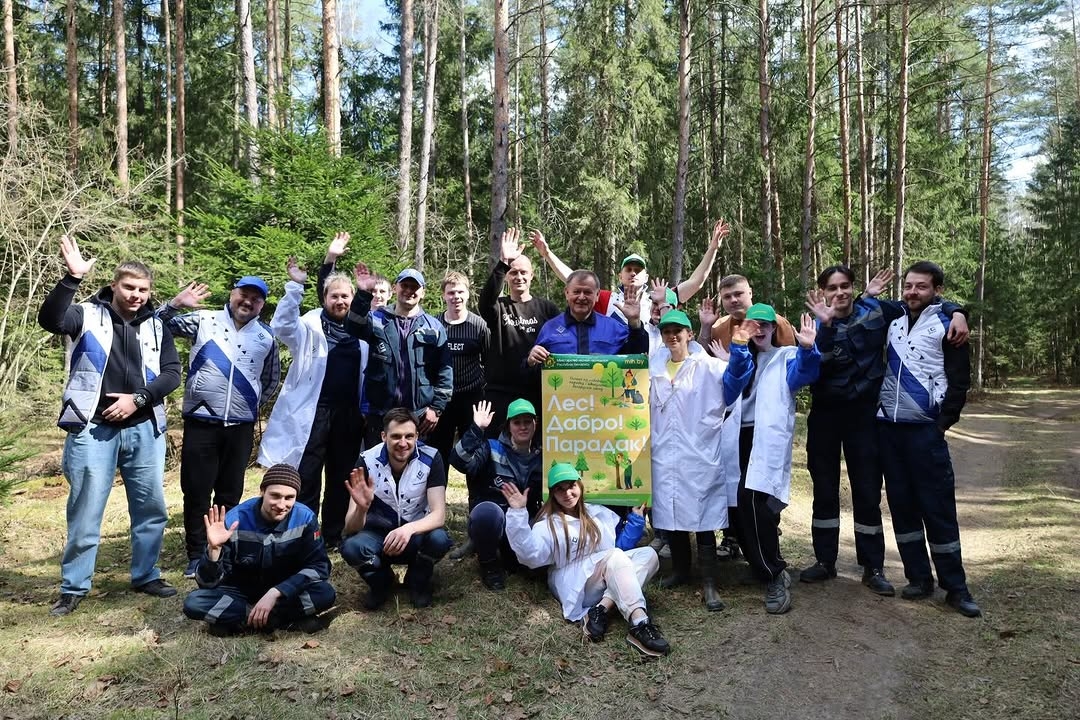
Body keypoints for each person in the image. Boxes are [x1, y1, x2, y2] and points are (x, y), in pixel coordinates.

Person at [800, 266, 969, 595]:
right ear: (823, 292)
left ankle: (873, 567)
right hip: (825, 415)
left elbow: (922, 303)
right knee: (824, 489)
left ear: (853, 287)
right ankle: (824, 560)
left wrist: (959, 311)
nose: (839, 293)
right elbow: (813, 364)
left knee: (866, 491)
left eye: (845, 286)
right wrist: (826, 326)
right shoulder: (815, 322)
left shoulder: (878, 311)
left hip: (864, 416)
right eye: (832, 288)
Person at [38, 236, 182, 616]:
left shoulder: (155, 326)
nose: (136, 295)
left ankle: (146, 574)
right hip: (91, 427)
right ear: (114, 286)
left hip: (145, 427)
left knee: (151, 507)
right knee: (86, 508)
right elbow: (50, 319)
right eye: (129, 287)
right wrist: (71, 279)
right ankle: (73, 587)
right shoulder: (85, 315)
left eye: (143, 290)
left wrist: (138, 399)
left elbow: (171, 374)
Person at [157, 276, 281, 578]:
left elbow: (271, 380)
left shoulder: (266, 337)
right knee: (196, 491)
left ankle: (221, 548)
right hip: (201, 422)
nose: (248, 302)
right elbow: (154, 326)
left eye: (256, 298)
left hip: (240, 426)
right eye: (243, 294)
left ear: (262, 305)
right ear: (233, 294)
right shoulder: (203, 320)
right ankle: (196, 553)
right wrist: (174, 304)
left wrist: (248, 404)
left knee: (229, 491)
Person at [876, 261, 980, 617]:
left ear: (936, 290)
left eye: (921, 287)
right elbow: (860, 306)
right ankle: (919, 578)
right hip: (889, 430)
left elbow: (959, 379)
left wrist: (942, 424)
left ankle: (956, 587)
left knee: (937, 509)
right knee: (902, 508)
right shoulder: (894, 317)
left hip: (925, 431)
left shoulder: (947, 323)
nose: (912, 292)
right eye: (908, 286)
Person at [257, 249, 367, 550]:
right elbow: (281, 326)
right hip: (313, 412)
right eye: (334, 296)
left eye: (345, 296)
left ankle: (332, 535)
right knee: (307, 474)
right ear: (325, 298)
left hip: (349, 414)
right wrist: (294, 288)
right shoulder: (309, 325)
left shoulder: (361, 328)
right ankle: (304, 533)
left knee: (341, 476)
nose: (340, 301)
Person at [500, 463, 671, 657]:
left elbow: (619, 547)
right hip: (576, 584)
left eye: (571, 486)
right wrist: (517, 513)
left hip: (605, 572)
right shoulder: (549, 524)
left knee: (649, 555)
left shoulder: (596, 513)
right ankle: (639, 622)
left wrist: (636, 520)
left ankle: (601, 609)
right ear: (553, 494)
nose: (567, 493)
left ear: (580, 486)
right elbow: (528, 555)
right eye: (560, 489)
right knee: (614, 557)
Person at [721, 304, 821, 615]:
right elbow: (731, 387)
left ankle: (774, 572)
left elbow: (804, 375)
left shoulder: (785, 356)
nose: (760, 329)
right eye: (753, 324)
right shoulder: (741, 356)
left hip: (766, 440)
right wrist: (738, 347)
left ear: (775, 329)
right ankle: (762, 564)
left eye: (766, 325)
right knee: (741, 507)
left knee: (754, 503)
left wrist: (807, 348)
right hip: (738, 437)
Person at [182, 464, 336, 635]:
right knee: (194, 603)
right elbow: (207, 583)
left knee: (325, 593)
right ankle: (275, 620)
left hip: (283, 593)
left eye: (289, 497)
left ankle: (241, 622)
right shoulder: (235, 520)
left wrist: (277, 592)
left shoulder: (305, 518)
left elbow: (319, 567)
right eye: (275, 496)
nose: (281, 504)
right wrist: (214, 549)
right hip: (240, 592)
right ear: (262, 491)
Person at [648, 310, 731, 611]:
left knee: (703, 515)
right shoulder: (653, 367)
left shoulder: (708, 366)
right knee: (672, 514)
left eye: (678, 331)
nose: (672, 336)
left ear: (690, 334)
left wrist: (739, 355)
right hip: (664, 452)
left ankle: (710, 583)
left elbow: (736, 382)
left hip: (697, 451)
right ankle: (681, 572)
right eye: (667, 331)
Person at [339, 409, 452, 609]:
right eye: (396, 436)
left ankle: (418, 580)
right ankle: (381, 582)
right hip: (377, 536)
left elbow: (439, 515)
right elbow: (350, 527)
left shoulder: (432, 458)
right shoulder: (365, 460)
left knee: (439, 539)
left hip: (414, 533)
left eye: (409, 436)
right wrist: (362, 509)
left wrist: (408, 529)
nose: (403, 443)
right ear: (383, 436)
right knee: (350, 547)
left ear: (417, 436)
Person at [530, 218, 729, 325]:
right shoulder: (608, 299)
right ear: (620, 275)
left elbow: (696, 283)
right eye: (629, 269)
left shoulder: (661, 297)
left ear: (646, 277)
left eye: (638, 270)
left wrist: (713, 248)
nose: (633, 273)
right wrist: (547, 254)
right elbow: (572, 279)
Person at [347, 264, 452, 447]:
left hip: (418, 415)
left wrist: (436, 408)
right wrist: (363, 293)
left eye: (415, 287)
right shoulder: (377, 319)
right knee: (378, 470)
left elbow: (445, 371)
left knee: (415, 471)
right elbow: (353, 326)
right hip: (380, 414)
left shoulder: (434, 328)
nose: (409, 291)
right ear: (395, 288)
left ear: (423, 293)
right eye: (405, 286)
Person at [449, 399, 543, 591]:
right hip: (495, 520)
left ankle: (514, 557)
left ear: (536, 423)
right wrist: (477, 429)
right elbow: (458, 461)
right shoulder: (491, 448)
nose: (523, 426)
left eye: (528, 421)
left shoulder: (544, 456)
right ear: (508, 426)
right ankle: (489, 564)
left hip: (524, 523)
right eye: (517, 422)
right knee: (485, 514)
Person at [478, 228, 561, 432]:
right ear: (506, 277)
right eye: (513, 272)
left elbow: (561, 344)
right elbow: (485, 302)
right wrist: (503, 262)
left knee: (536, 448)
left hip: (538, 391)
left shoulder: (548, 309)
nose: (518, 277)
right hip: (500, 392)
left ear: (532, 275)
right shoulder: (498, 307)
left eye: (523, 272)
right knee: (498, 450)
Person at [428, 271, 490, 472]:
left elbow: (489, 361)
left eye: (460, 292)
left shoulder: (479, 325)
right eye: (451, 292)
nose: (456, 297)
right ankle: (436, 501)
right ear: (444, 295)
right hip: (441, 399)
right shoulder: (434, 324)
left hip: (471, 398)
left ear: (468, 294)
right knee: (438, 453)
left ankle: (477, 502)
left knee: (472, 452)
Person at [527, 270, 648, 369]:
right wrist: (530, 361)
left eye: (587, 292)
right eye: (576, 291)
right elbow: (533, 374)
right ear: (567, 293)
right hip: (561, 398)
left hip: (605, 397)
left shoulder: (614, 328)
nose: (581, 297)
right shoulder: (550, 328)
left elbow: (637, 358)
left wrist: (634, 323)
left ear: (597, 295)